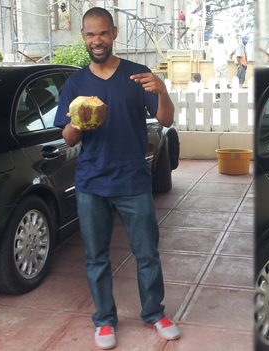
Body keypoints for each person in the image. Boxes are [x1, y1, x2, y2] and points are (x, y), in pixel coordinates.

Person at [53, 7, 180, 350]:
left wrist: (163, 91)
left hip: (133, 179)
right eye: (91, 34)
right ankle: (105, 320)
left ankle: (154, 312)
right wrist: (77, 123)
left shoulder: (138, 76)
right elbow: (67, 138)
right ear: (84, 37)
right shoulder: (76, 84)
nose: (98, 40)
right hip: (92, 182)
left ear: (114, 33)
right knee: (96, 256)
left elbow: (165, 120)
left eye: (104, 33)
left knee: (147, 253)